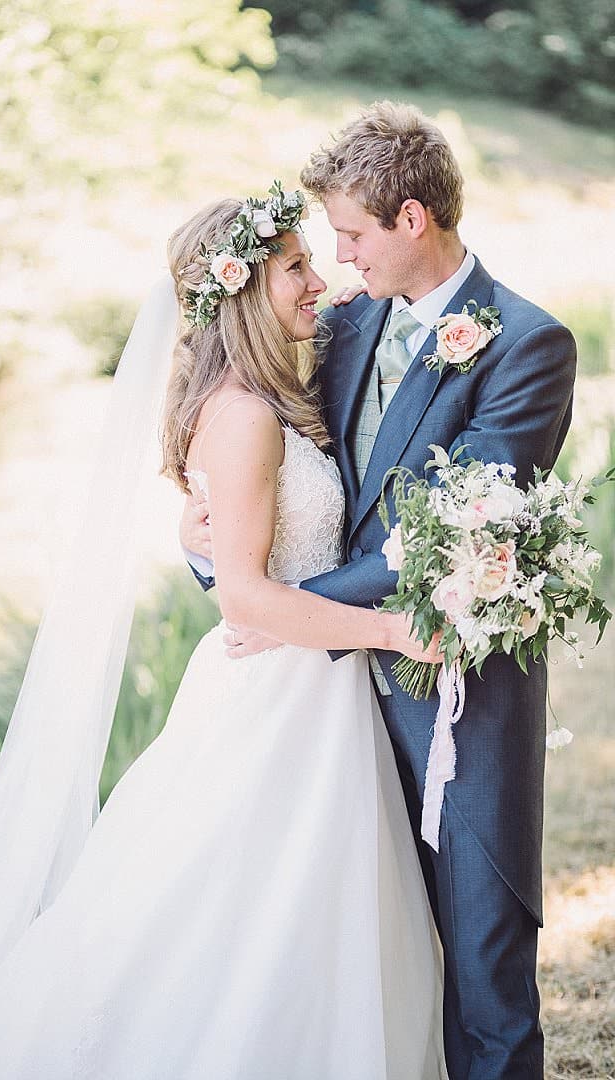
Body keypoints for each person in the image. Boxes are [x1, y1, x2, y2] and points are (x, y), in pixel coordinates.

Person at [0, 184, 447, 1078]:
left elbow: (251, 557)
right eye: (295, 267)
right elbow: (247, 600)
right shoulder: (244, 417)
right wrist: (394, 629)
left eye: (315, 259)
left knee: (302, 915)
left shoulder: (260, 394)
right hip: (278, 695)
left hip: (310, 691)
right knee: (228, 915)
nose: (319, 280)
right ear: (239, 291)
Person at [182, 103, 577, 1079]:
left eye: (353, 236)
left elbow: (450, 525)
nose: (340, 262)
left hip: (449, 688)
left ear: (413, 221)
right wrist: (214, 559)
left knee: (483, 952)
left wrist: (288, 606)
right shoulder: (343, 323)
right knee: (336, 942)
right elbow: (241, 449)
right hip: (315, 706)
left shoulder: (528, 344)